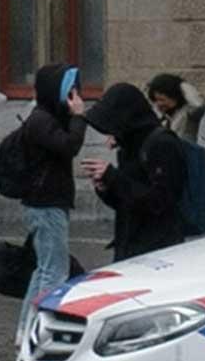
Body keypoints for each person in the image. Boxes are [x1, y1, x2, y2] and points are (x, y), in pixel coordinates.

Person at [15, 63, 88, 342]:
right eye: (69, 90)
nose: (75, 96)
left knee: (45, 268)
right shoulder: (41, 121)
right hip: (45, 204)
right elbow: (70, 146)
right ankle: (37, 332)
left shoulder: (47, 117)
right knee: (54, 272)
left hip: (47, 202)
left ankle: (26, 330)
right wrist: (78, 117)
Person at [79, 83, 189, 261]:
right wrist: (105, 187)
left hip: (157, 247)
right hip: (129, 241)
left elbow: (161, 201)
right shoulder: (130, 145)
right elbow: (126, 201)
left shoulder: (163, 144)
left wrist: (113, 177)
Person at [146, 73, 205, 144]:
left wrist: (181, 84)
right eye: (156, 100)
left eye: (162, 100)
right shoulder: (163, 117)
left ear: (175, 98)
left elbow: (198, 105)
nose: (158, 104)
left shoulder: (188, 114)